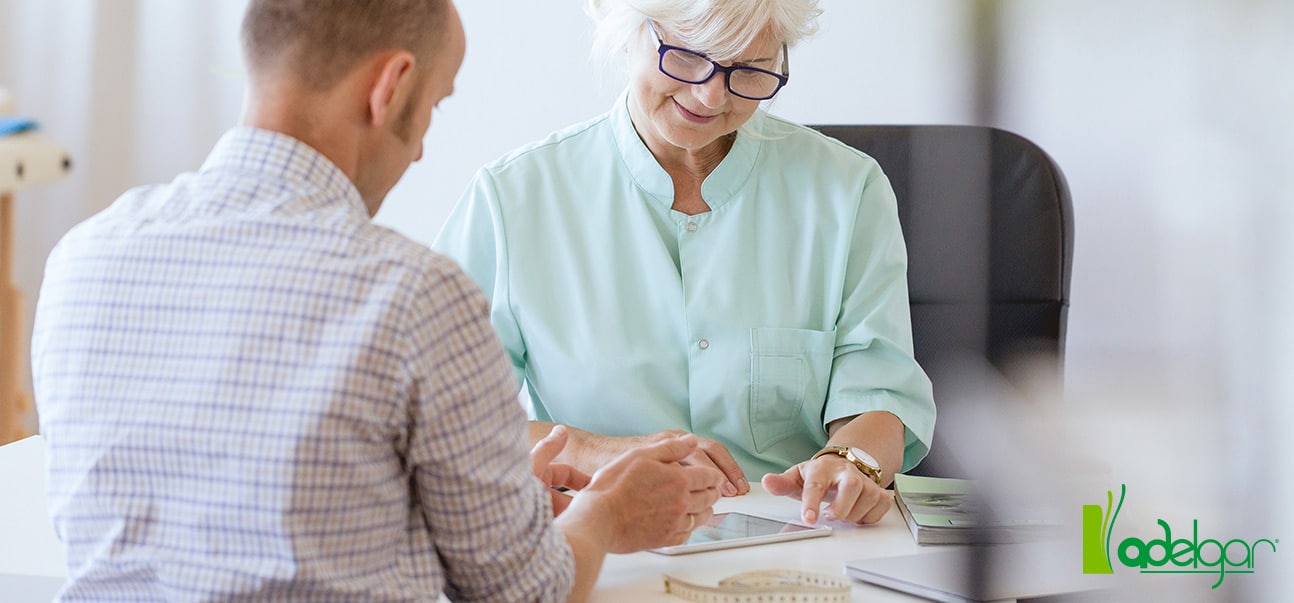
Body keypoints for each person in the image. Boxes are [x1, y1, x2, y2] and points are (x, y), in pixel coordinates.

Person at [31, 1, 722, 601]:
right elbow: (525, 591)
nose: (420, 150)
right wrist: (605, 512)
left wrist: (475, 510)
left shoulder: (82, 257)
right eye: (434, 106)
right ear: (390, 89)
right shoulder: (413, 292)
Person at [432, 0, 935, 528]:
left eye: (747, 69)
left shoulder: (848, 190)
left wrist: (849, 461)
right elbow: (442, 418)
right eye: (689, 56)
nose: (710, 95)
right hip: (598, 536)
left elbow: (880, 392)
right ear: (627, 31)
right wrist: (594, 452)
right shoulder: (512, 200)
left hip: (800, 540)